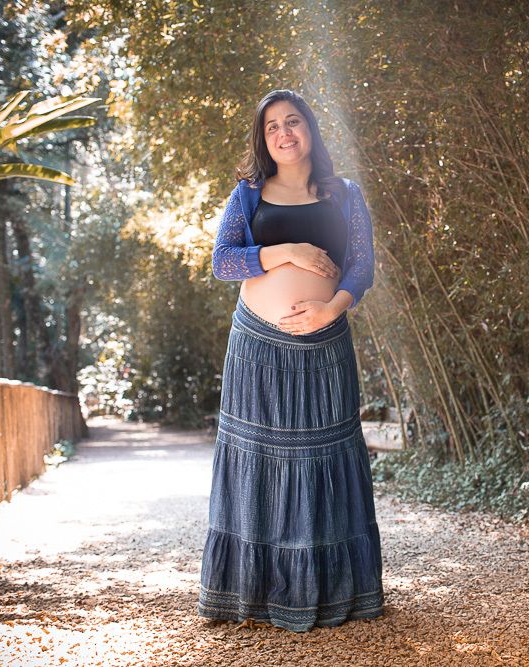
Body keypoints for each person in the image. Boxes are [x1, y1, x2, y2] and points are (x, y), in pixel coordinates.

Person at [199, 89, 383, 632]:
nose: (284, 132)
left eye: (293, 121)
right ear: (264, 139)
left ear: (310, 129)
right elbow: (223, 262)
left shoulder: (344, 194)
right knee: (257, 461)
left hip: (326, 346)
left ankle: (329, 593)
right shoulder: (248, 195)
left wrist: (331, 309)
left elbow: (362, 266)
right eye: (272, 126)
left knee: (325, 460)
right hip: (256, 349)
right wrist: (286, 252)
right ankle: (252, 593)